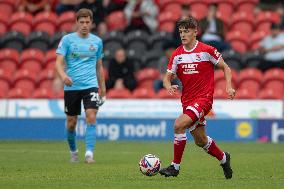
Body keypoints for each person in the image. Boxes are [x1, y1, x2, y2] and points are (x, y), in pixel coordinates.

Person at [159, 16, 235, 179]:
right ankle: (224, 158)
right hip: (187, 101)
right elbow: (166, 78)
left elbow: (226, 67)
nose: (183, 34)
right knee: (201, 141)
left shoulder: (207, 50)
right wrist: (168, 86)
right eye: (180, 32)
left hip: (204, 99)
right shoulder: (177, 55)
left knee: (178, 125)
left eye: (186, 31)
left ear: (195, 32)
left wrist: (228, 85)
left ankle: (175, 167)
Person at [55, 8, 106, 164]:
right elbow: (58, 62)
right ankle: (73, 151)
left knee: (91, 116)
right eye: (81, 22)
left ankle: (89, 154)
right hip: (72, 87)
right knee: (71, 123)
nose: (84, 25)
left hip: (90, 86)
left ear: (91, 23)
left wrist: (102, 88)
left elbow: (99, 66)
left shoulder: (97, 41)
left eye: (87, 22)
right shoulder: (67, 40)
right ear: (76, 22)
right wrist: (64, 76)